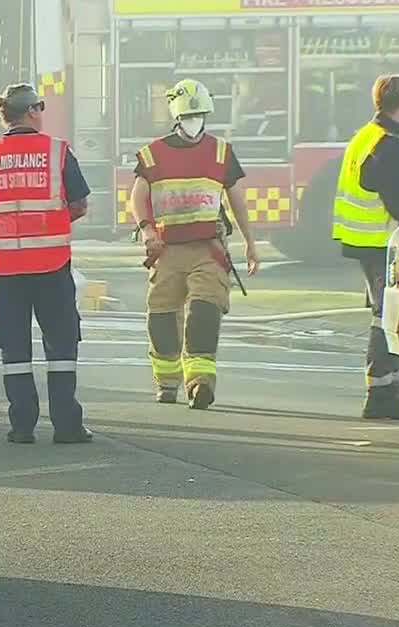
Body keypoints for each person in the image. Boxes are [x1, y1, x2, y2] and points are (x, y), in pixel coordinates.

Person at [0, 83, 93, 444]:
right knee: (61, 344)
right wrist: (52, 222)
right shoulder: (57, 151)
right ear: (33, 111)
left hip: (7, 268)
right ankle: (66, 425)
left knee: (14, 348)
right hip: (52, 264)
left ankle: (21, 426)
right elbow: (81, 203)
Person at [128, 78, 260, 410]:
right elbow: (137, 196)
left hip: (208, 248)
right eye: (190, 115)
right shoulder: (153, 154)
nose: (195, 121)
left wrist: (250, 243)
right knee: (161, 316)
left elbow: (237, 200)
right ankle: (167, 382)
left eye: (200, 114)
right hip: (168, 250)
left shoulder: (220, 152)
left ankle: (200, 382)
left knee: (204, 310)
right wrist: (147, 232)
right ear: (176, 115)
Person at [333, 74, 399, 420]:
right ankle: (381, 395)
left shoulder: (364, 137)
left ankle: (382, 390)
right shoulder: (389, 146)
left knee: (381, 314)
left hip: (362, 240)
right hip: (380, 242)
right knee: (386, 317)